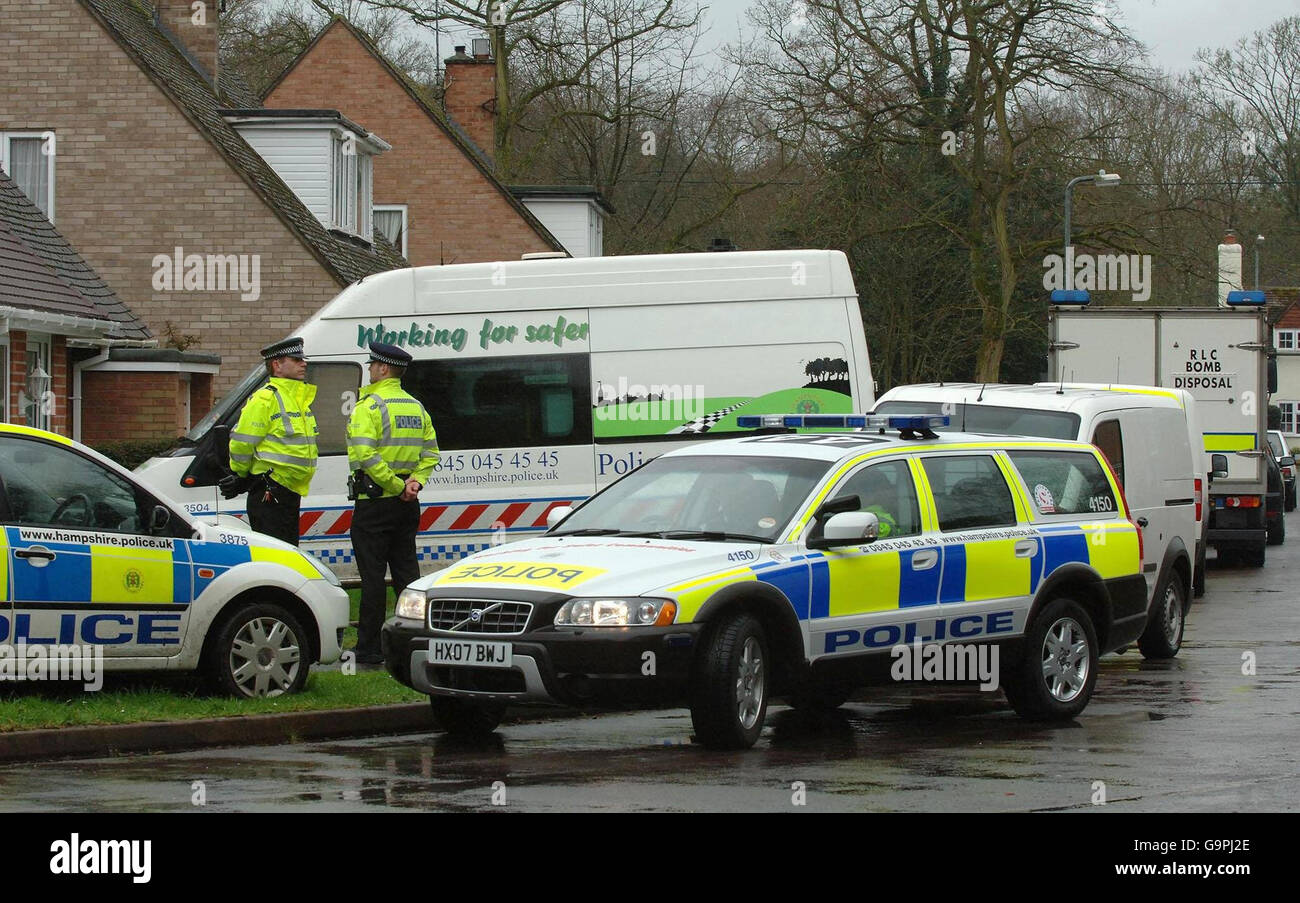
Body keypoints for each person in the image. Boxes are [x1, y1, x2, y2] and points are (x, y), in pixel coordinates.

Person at [347, 341, 440, 664]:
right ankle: (413, 643)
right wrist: (414, 483)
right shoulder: (416, 407)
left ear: (383, 369)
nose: (370, 369)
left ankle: (369, 650)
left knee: (372, 580)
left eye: (372, 365)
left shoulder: (369, 406)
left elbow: (365, 453)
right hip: (406, 504)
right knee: (407, 576)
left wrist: (395, 484)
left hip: (374, 502)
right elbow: (431, 453)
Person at [220, 337, 318, 546]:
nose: (304, 363)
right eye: (296, 359)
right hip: (270, 491)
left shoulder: (298, 399)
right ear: (277, 365)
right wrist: (240, 473)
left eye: (303, 359)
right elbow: (241, 443)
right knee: (277, 557)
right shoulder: (265, 399)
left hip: (289, 491)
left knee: (288, 554)